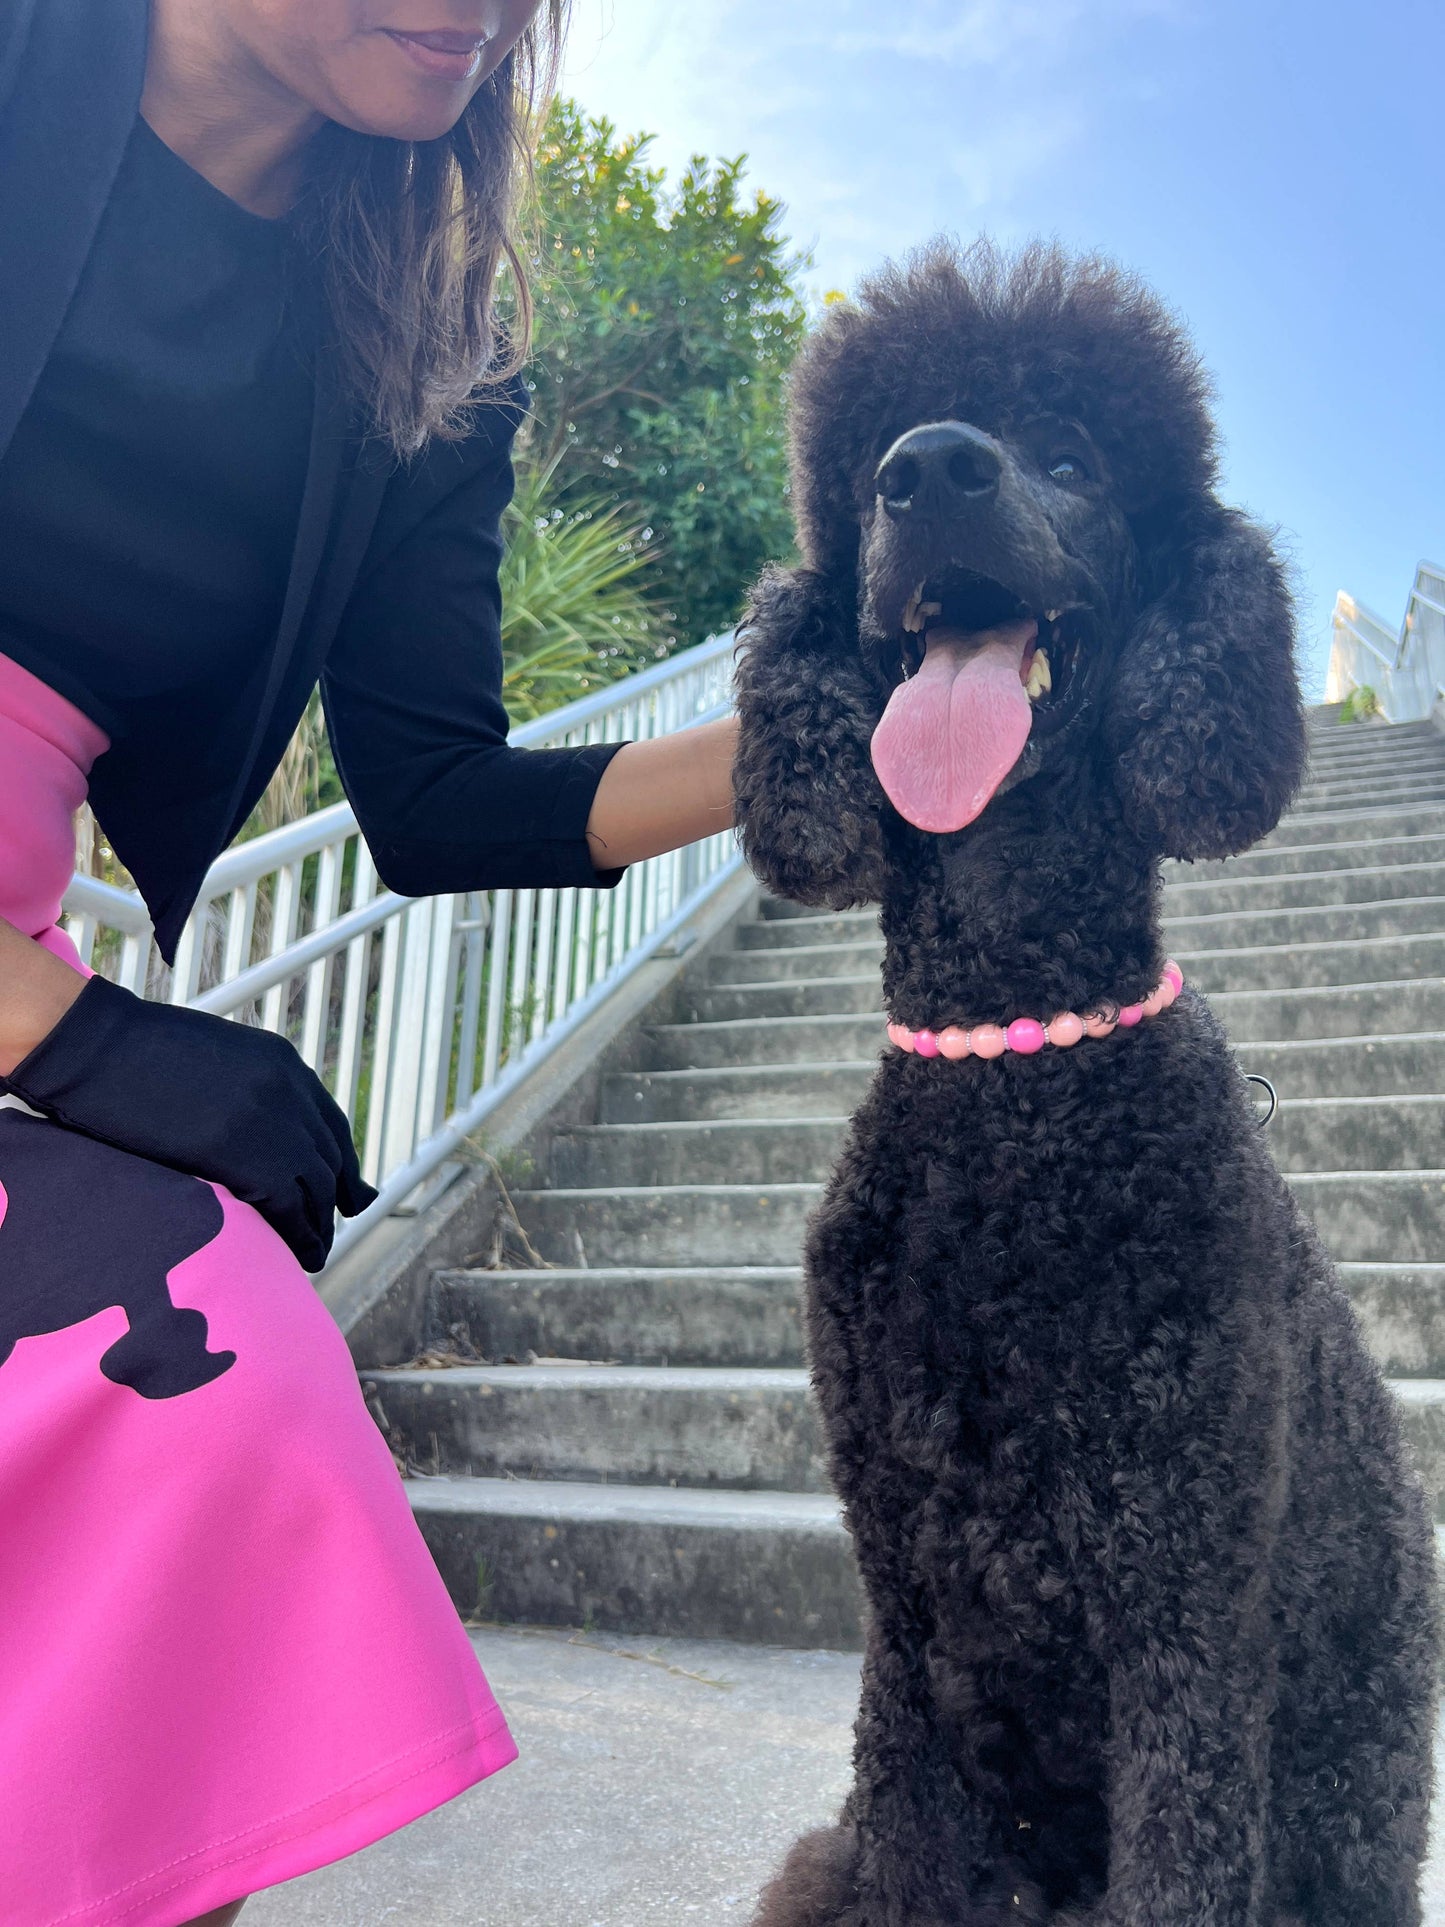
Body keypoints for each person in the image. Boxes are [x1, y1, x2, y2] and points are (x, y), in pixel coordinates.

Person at [0, 3, 739, 1921]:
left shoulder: (422, 347)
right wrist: (66, 1037)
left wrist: (823, 743)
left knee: (216, 1416)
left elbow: (432, 798)